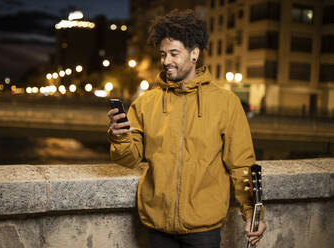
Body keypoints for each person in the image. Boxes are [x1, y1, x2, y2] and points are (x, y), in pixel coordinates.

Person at [107, 9, 266, 248]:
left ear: (194, 54)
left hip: (204, 229)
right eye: (162, 54)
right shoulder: (145, 103)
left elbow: (242, 163)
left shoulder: (225, 102)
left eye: (173, 53)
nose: (166, 61)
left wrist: (253, 215)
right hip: (157, 226)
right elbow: (130, 159)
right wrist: (119, 137)